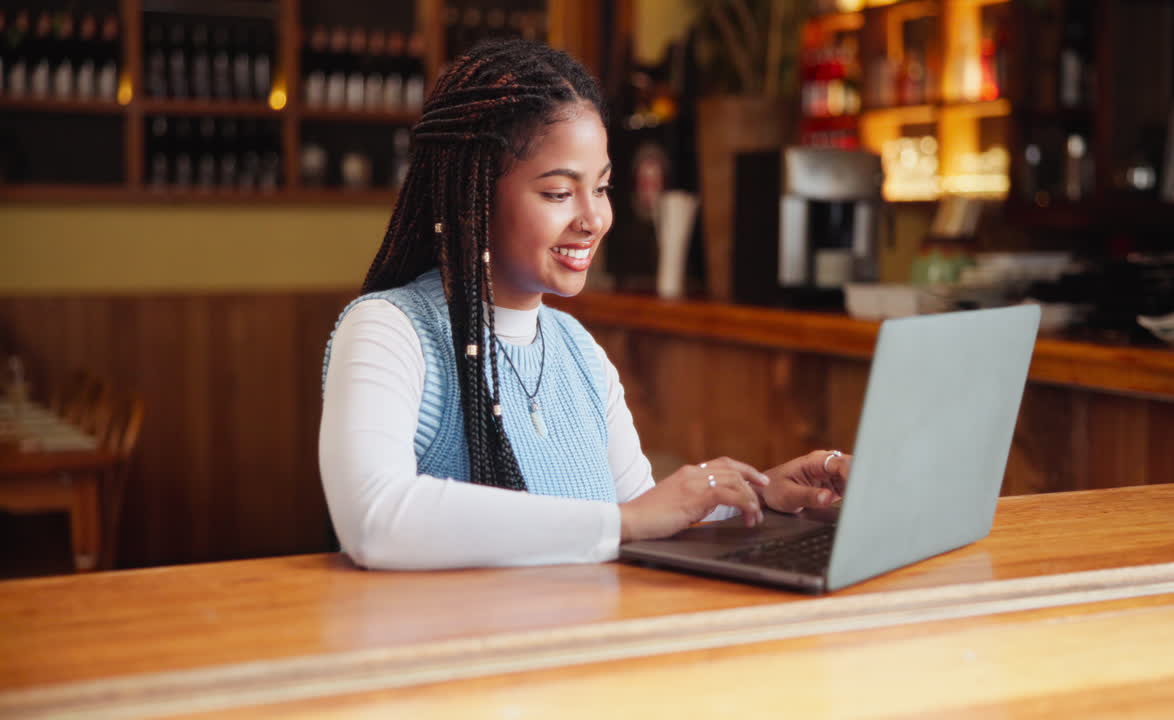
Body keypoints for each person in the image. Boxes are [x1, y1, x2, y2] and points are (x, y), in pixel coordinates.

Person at [319, 38, 850, 570]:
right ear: (473, 194)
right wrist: (628, 520)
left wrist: (760, 495)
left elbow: (644, 520)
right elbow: (375, 519)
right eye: (558, 193)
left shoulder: (579, 351)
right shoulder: (389, 330)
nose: (593, 219)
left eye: (601, 188)